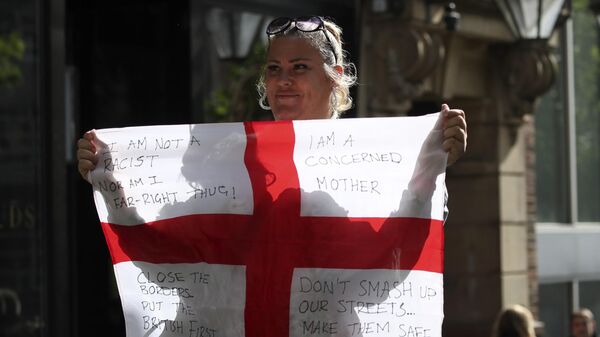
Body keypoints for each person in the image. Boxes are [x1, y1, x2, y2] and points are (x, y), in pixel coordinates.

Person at [77, 16, 467, 180]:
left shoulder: (371, 159)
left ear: (337, 78)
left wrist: (434, 165)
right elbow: (179, 236)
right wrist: (111, 179)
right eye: (274, 69)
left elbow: (406, 235)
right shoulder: (230, 156)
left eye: (299, 67)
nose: (283, 80)